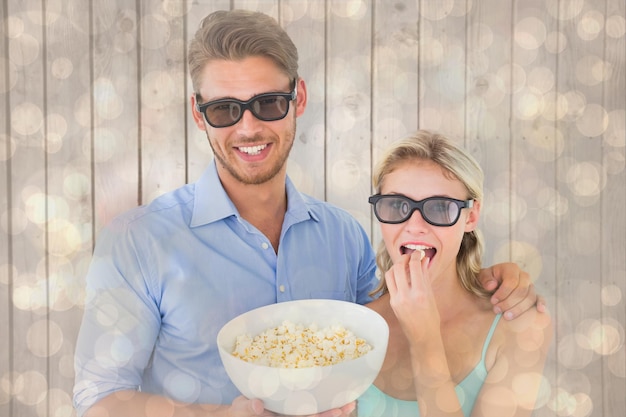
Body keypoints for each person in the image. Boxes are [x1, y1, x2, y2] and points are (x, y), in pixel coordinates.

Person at [73, 9, 542, 417]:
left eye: (268, 103)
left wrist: (493, 278)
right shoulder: (140, 240)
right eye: (224, 110)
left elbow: (389, 327)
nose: (248, 127)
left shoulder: (344, 236)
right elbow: (99, 401)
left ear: (298, 99)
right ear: (199, 115)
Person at [359, 131, 553, 417]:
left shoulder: (520, 324)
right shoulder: (353, 326)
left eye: (439, 208)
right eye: (397, 205)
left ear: (471, 216)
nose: (415, 225)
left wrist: (425, 341)